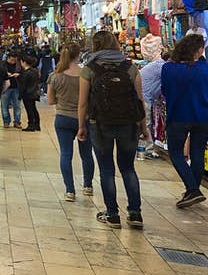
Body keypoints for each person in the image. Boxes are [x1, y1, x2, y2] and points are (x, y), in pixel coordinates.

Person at [78, 30, 147, 229]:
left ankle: (112, 214)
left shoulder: (89, 69)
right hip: (129, 124)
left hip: (100, 124)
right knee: (128, 168)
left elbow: (83, 103)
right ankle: (135, 213)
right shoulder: (130, 68)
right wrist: (143, 127)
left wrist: (81, 126)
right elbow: (140, 100)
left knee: (106, 169)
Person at [160, 34, 208, 207]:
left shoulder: (168, 68)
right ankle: (192, 191)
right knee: (197, 153)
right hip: (204, 116)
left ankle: (192, 190)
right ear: (199, 50)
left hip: (178, 115)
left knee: (176, 153)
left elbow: (164, 91)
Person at [47, 42, 94, 201]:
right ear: (79, 54)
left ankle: (70, 190)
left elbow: (50, 101)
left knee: (66, 154)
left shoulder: (55, 76)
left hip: (63, 118)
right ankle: (88, 186)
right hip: (84, 119)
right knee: (86, 154)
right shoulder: (86, 74)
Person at [18, 54, 42, 131]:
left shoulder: (26, 73)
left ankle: (31, 125)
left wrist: (20, 95)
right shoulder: (35, 71)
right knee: (34, 109)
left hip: (27, 94)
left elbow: (23, 86)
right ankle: (37, 125)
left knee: (29, 110)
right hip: (34, 92)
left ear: (24, 62)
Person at [1, 53, 22, 128]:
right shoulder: (2, 65)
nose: (13, 62)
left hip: (16, 87)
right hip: (6, 87)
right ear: (8, 58)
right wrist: (6, 74)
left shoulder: (18, 65)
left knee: (17, 105)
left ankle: (17, 122)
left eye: (15, 60)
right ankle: (6, 122)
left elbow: (22, 73)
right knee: (4, 106)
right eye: (12, 60)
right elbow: (0, 74)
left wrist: (18, 75)